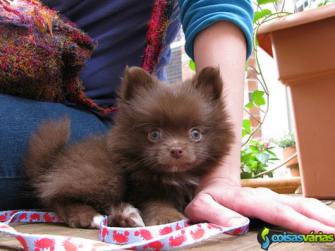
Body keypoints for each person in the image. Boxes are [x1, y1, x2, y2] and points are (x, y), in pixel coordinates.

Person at [0, 0, 334, 235]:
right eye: (157, 135)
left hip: (94, 111)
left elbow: (216, 4)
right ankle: (72, 203)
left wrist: (221, 180)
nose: (177, 147)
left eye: (194, 134)